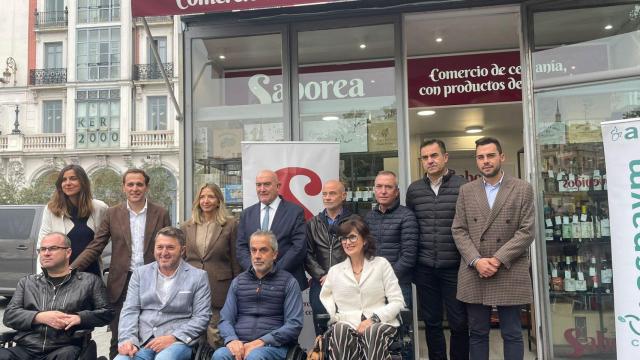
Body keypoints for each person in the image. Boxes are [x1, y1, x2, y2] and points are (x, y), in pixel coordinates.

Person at [71, 168, 172, 359]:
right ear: (124, 187)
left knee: (153, 336)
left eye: (139, 184)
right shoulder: (112, 213)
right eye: (130, 184)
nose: (135, 188)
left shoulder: (161, 213)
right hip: (122, 284)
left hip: (154, 281)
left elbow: (170, 246)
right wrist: (71, 269)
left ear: (146, 187)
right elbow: (96, 245)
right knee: (119, 337)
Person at [452, 137, 535, 360]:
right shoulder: (466, 191)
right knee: (477, 333)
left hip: (509, 268)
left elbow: (527, 231)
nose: (486, 161)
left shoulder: (522, 189)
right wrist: (477, 260)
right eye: (481, 157)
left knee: (512, 333)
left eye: (490, 155)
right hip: (475, 270)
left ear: (502, 157)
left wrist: (497, 260)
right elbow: (458, 229)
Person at [1, 232, 113, 360]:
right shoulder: (28, 283)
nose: (46, 253)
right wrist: (39, 317)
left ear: (68, 252)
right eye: (42, 249)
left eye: (53, 248)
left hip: (64, 349)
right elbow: (9, 316)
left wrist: (80, 318)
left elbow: (107, 313)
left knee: (67, 355)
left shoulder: (89, 282)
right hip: (26, 348)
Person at [406, 139, 469, 360]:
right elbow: (411, 227)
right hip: (424, 268)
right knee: (431, 322)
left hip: (455, 267)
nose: (430, 161)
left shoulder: (463, 187)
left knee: (459, 322)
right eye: (425, 157)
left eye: (434, 155)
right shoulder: (414, 190)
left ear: (445, 157)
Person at [115, 227, 211, 360]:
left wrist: (173, 337)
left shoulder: (198, 276)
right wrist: (128, 340)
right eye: (160, 247)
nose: (164, 252)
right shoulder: (140, 274)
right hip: (142, 341)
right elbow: (130, 310)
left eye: (170, 247)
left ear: (182, 250)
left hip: (178, 342)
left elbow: (202, 317)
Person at [320, 217, 405, 360]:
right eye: (343, 238)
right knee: (339, 330)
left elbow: (398, 301)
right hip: (348, 323)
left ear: (365, 240)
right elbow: (325, 296)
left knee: (373, 332)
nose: (347, 242)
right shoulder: (335, 271)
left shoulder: (381, 264)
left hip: (381, 323)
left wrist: (374, 318)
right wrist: (334, 316)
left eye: (352, 237)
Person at [213, 230, 304, 360]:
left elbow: (294, 324)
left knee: (255, 356)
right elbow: (225, 320)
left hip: (275, 347)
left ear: (275, 254)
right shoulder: (238, 282)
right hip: (240, 343)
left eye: (263, 250)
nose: (257, 256)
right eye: (253, 250)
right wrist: (232, 340)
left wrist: (261, 342)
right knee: (220, 355)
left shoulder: (289, 282)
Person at [181, 183, 241, 348]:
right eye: (202, 197)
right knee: (193, 337)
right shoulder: (187, 226)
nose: (206, 200)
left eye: (210, 196)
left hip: (219, 289)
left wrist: (237, 288)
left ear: (218, 201)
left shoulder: (230, 225)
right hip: (192, 288)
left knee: (216, 336)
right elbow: (183, 259)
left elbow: (236, 260)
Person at [236, 169, 307, 290]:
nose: (262, 189)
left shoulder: (295, 212)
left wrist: (274, 272)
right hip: (254, 281)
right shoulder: (246, 214)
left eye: (267, 184)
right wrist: (255, 271)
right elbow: (241, 247)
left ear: (278, 186)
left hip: (287, 281)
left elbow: (298, 247)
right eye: (258, 185)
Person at [38, 164, 108, 276]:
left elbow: (103, 242)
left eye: (73, 178)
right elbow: (41, 246)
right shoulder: (52, 209)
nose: (68, 183)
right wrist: (44, 276)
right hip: (61, 276)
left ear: (83, 182)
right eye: (64, 180)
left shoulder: (100, 208)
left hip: (91, 275)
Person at [304, 179, 353, 335]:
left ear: (343, 196)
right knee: (322, 331)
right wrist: (323, 275)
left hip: (348, 282)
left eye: (332, 193)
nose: (327, 197)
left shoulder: (355, 221)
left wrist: (337, 275)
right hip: (321, 283)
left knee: (347, 329)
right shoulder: (313, 223)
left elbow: (358, 252)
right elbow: (307, 254)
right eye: (324, 194)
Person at [364, 170, 418, 307]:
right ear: (374, 190)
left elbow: (409, 256)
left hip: (398, 284)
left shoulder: (407, 216)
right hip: (372, 285)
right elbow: (364, 251)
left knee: (399, 326)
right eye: (379, 186)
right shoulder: (369, 217)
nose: (383, 191)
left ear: (397, 191)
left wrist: (386, 278)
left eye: (388, 187)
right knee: (374, 327)